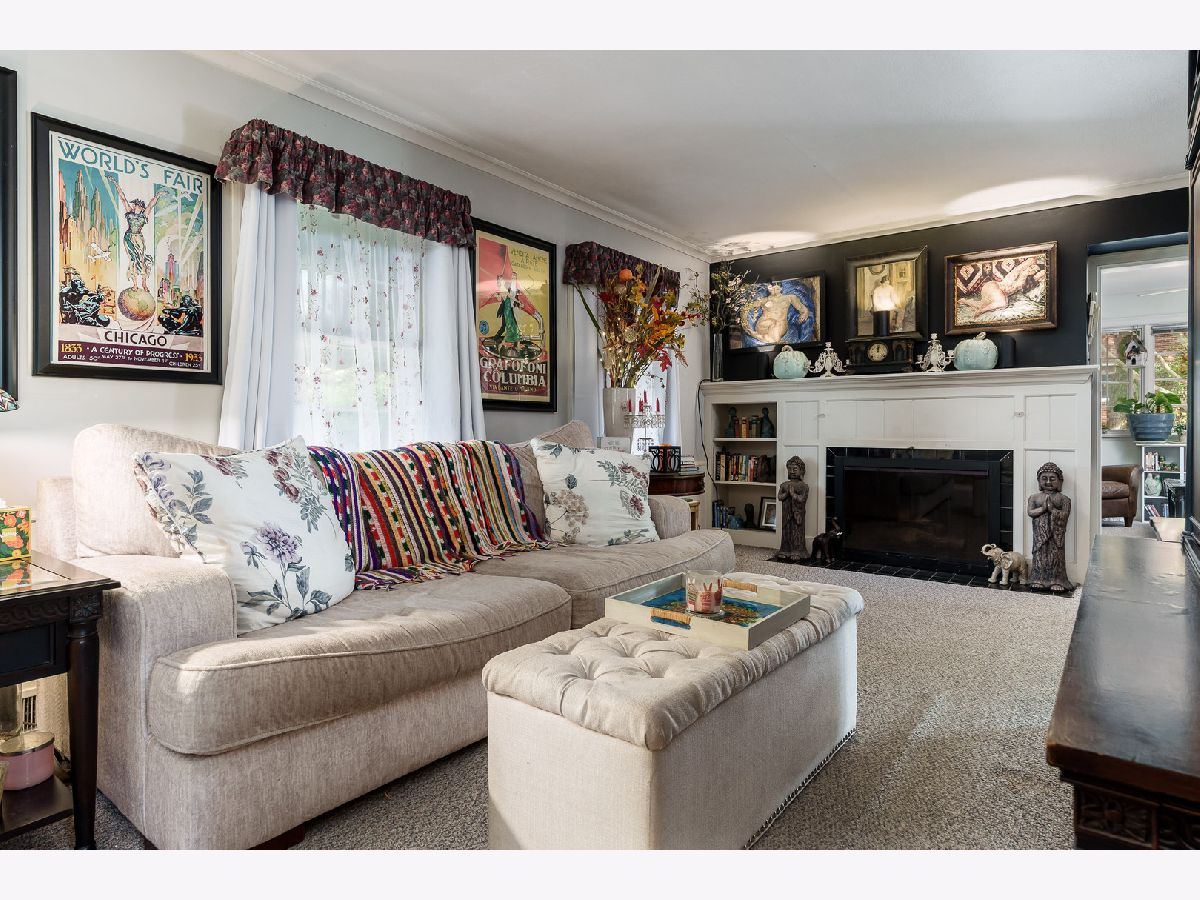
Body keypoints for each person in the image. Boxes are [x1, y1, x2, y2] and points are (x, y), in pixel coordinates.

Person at [107, 173, 168, 292]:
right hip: (129, 237)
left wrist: (158, 195)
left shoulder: (144, 214)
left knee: (141, 258)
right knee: (132, 259)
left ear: (140, 207)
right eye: (134, 205)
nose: (134, 206)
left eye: (136, 205)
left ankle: (144, 283)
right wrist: (114, 182)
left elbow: (151, 204)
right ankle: (135, 284)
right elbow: (123, 198)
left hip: (139, 238)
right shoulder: (129, 212)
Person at [1027, 461, 1075, 592]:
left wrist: (1052, 510)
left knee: (1056, 556)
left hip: (1056, 534)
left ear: (1060, 481)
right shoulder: (1034, 497)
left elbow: (1065, 514)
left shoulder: (1063, 499)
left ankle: (1057, 580)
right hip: (1040, 534)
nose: (1048, 482)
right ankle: (1038, 578)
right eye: (1044, 478)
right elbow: (1030, 512)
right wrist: (1043, 509)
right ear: (1039, 481)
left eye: (1052, 479)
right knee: (1039, 555)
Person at [775, 456, 809, 562]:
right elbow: (779, 497)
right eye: (790, 469)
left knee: (796, 532)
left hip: (797, 514)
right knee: (786, 532)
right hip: (786, 514)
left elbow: (802, 499)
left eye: (795, 469)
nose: (792, 471)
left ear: (801, 471)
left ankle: (797, 551)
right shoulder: (784, 485)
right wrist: (786, 494)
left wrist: (793, 494)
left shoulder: (803, 486)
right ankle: (784, 550)